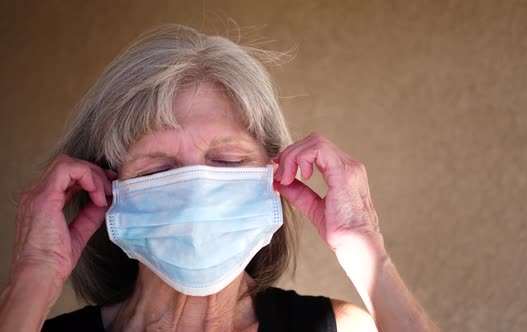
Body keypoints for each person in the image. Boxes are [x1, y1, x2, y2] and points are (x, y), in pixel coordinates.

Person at [0, 24, 438, 331]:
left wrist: (364, 245)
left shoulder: (339, 329)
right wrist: (34, 276)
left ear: (273, 174)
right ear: (109, 191)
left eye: (227, 162)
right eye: (158, 169)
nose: (196, 193)